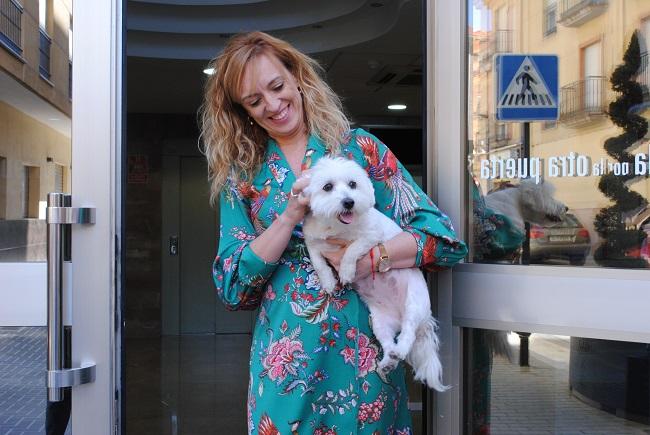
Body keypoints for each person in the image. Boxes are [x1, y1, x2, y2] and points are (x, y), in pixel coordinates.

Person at [200, 31, 467, 434]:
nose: (273, 105)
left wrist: (370, 259)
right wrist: (289, 217)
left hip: (364, 356)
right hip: (286, 363)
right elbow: (234, 286)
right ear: (242, 111)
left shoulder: (360, 149)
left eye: (277, 87)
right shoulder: (243, 177)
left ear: (297, 78)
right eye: (255, 101)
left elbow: (440, 238)